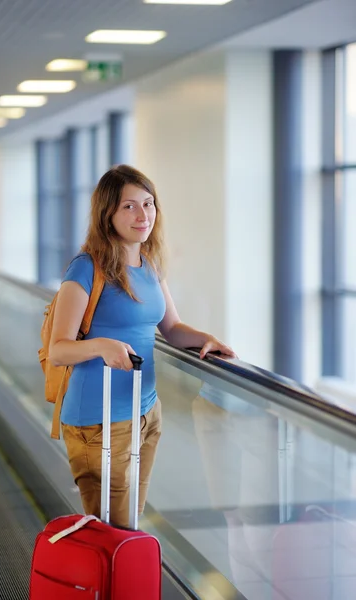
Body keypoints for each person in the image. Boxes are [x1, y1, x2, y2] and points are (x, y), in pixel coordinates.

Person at [49, 164, 236, 527]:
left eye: (148, 204)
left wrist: (206, 339)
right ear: (108, 215)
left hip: (146, 412)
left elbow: (171, 328)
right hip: (99, 419)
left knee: (130, 522)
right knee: (112, 530)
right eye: (129, 206)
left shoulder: (149, 264)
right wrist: (101, 345)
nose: (142, 214)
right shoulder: (86, 269)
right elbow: (59, 349)